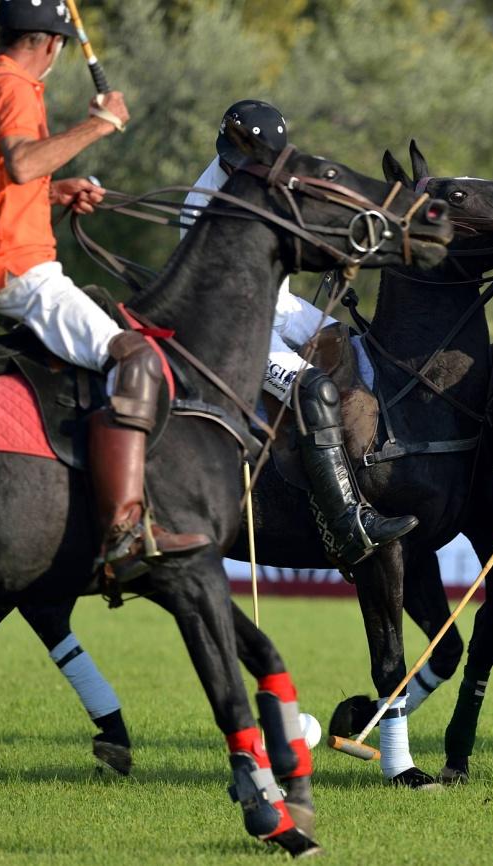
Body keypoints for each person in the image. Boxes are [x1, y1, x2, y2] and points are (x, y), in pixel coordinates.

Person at [0, 0, 208, 581]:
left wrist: (56, 190)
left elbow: (1, 186)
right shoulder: (14, 87)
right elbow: (20, 164)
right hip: (20, 271)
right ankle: (123, 531)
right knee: (136, 358)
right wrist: (102, 124)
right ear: (51, 43)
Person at [180, 100, 417, 568]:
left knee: (344, 341)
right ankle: (347, 521)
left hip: (278, 303)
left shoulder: (269, 175)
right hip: (234, 321)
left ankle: (363, 466)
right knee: (314, 386)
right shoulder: (206, 205)